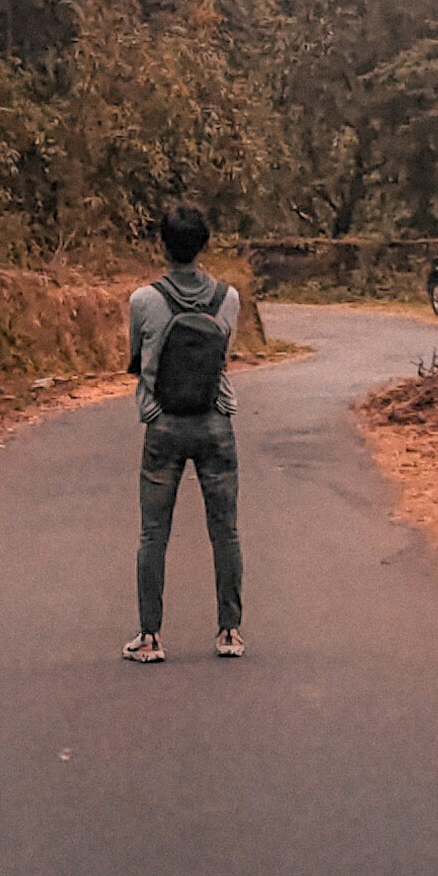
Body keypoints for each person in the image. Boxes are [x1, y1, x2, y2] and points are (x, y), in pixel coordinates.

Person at [124, 205, 243, 663]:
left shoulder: (144, 301)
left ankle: (150, 637)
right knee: (225, 531)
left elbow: (138, 356)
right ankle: (229, 632)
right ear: (204, 245)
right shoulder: (228, 298)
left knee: (154, 533)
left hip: (164, 424)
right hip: (216, 421)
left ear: (162, 245)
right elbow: (224, 355)